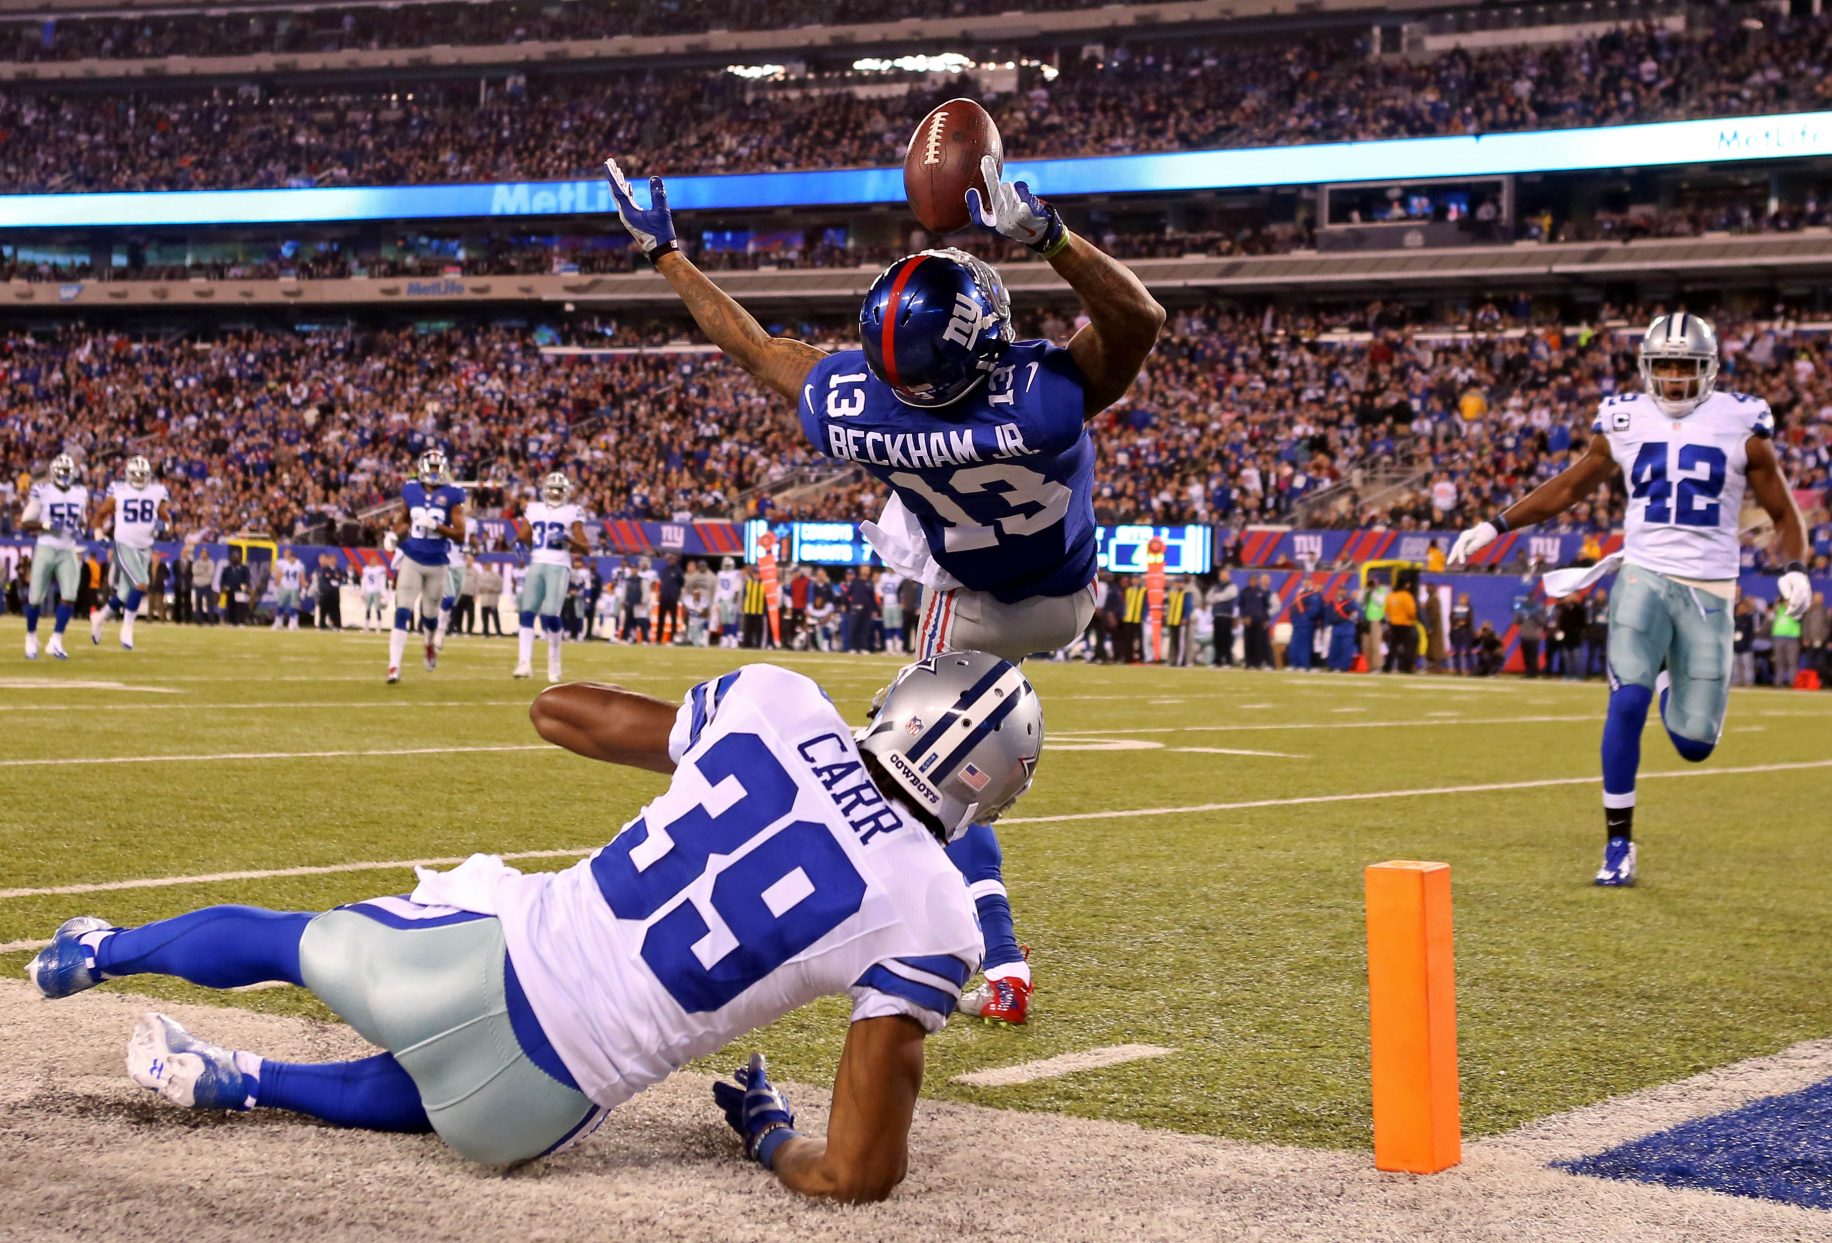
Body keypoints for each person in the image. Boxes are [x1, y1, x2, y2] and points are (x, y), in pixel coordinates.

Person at [27, 652, 1043, 1202]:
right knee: (440, 1088)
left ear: (901, 702)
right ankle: (241, 1081)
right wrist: (769, 1135)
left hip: (459, 966)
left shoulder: (777, 703)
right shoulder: (935, 914)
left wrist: (714, 755)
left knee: (291, 942)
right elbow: (857, 1176)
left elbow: (560, 710)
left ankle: (95, 950)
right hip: (528, 1112)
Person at [605, 152, 1161, 1028]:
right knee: (938, 762)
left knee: (920, 768)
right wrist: (1050, 236)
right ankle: (990, 950)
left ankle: (993, 954)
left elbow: (752, 345)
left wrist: (665, 256)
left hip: (972, 598)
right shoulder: (1046, 404)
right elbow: (1137, 317)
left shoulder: (849, 406)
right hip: (1067, 589)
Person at [1451, 312, 1811, 886]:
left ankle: (1668, 679)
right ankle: (1618, 845)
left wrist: (1794, 567)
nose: (1672, 377)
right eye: (1663, 364)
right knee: (1624, 704)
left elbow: (1783, 511)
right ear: (1647, 368)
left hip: (1710, 589)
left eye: (1685, 365)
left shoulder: (1741, 420)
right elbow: (1569, 487)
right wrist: (1496, 526)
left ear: (1709, 370)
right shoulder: (1623, 418)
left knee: (1695, 744)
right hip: (1641, 575)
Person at [387, 450, 466, 684]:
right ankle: (394, 665)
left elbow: (461, 535)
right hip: (412, 557)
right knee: (402, 610)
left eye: (437, 468)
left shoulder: (453, 494)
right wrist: (393, 535)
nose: (433, 472)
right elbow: (404, 519)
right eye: (430, 468)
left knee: (429, 617)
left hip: (437, 563)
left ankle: (429, 643)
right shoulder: (410, 489)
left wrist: (438, 526)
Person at [510, 472, 589, 682]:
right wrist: (518, 543)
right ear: (545, 490)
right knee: (526, 613)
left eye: (559, 490)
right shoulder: (534, 508)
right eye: (552, 490)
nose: (554, 494)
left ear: (566, 493)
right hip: (537, 562)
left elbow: (586, 547)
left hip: (559, 565)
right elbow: (524, 535)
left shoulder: (573, 512)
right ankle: (524, 662)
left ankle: (554, 660)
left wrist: (568, 539)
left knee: (550, 615)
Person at [87, 455, 171, 652]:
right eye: (136, 474)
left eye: (143, 474)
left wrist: (164, 526)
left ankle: (99, 617)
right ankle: (127, 627)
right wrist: (99, 533)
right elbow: (100, 514)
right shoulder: (119, 489)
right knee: (142, 584)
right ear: (128, 474)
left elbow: (167, 519)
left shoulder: (157, 491)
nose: (140, 478)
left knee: (124, 594)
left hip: (145, 547)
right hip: (124, 544)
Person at [20, 453, 87, 660]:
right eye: (62, 472)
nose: (66, 476)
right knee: (35, 597)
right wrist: (46, 525)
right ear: (53, 473)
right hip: (46, 547)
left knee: (69, 595)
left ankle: (55, 640)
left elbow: (83, 522)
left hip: (68, 548)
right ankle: (31, 638)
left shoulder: (80, 493)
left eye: (68, 472)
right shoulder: (42, 491)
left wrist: (81, 530)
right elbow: (25, 522)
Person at [1286, 580, 1322, 672]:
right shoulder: (1298, 594)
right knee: (1294, 645)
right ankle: (1294, 664)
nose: (1305, 583)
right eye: (1304, 581)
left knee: (1304, 645)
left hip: (1306, 624)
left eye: (1307, 581)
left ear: (1310, 583)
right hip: (1297, 623)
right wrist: (1292, 618)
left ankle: (1304, 665)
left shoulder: (1312, 595)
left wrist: (1306, 617)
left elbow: (1315, 608)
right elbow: (1293, 607)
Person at [271, 547, 307, 631]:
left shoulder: (299, 565)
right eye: (290, 558)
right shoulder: (283, 564)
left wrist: (303, 589)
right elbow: (279, 575)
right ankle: (278, 623)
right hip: (284, 587)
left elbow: (302, 577)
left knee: (294, 606)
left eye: (293, 558)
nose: (292, 559)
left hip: (295, 588)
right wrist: (276, 587)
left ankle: (292, 623)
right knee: (281, 605)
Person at [1208, 570, 1238, 667]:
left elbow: (1226, 596)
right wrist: (1217, 598)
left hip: (1227, 615)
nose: (1223, 577)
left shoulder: (1232, 587)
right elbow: (1207, 598)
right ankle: (1217, 660)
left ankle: (1228, 660)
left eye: (1225, 575)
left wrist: (1215, 597)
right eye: (1221, 575)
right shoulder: (1216, 587)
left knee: (1226, 639)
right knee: (1217, 639)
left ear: (1229, 576)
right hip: (1216, 615)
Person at [1239, 574, 1270, 669]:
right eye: (1251, 580)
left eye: (1255, 580)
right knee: (1248, 642)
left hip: (1259, 620)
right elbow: (1241, 606)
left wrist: (1266, 619)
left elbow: (1265, 607)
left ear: (1257, 581)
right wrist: (1244, 617)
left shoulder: (1261, 592)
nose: (1253, 581)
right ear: (1249, 581)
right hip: (1248, 620)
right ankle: (1248, 662)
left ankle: (1258, 663)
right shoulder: (1244, 592)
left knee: (1258, 642)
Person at [1327, 589, 1360, 672]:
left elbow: (1358, 614)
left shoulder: (1351, 602)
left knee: (1346, 649)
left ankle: (1344, 667)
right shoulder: (1333, 602)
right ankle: (1333, 666)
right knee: (1334, 648)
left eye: (1343, 590)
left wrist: (1350, 618)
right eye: (1340, 590)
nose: (1341, 592)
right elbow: (1328, 614)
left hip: (1347, 629)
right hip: (1337, 628)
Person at [714, 557, 742, 648]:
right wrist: (716, 600)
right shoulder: (720, 574)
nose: (727, 567)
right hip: (723, 598)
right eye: (726, 565)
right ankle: (725, 637)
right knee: (724, 620)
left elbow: (737, 589)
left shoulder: (736, 574)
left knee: (733, 620)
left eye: (728, 565)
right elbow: (719, 588)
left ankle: (733, 638)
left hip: (731, 598)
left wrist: (734, 603)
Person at [476, 557, 506, 638]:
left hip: (493, 600)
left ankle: (498, 632)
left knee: (495, 617)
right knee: (484, 618)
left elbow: (500, 588)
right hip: (484, 600)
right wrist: (483, 589)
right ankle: (485, 632)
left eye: (489, 565)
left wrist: (493, 590)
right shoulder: (481, 576)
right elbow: (478, 587)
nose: (488, 567)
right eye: (486, 565)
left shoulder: (497, 576)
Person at [316, 555, 346, 630]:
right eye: (331, 560)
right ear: (329, 561)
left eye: (334, 560)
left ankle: (337, 625)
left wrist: (335, 578)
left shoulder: (338, 569)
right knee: (323, 609)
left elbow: (341, 578)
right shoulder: (325, 569)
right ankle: (322, 625)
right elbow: (327, 578)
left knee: (335, 609)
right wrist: (334, 578)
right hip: (326, 592)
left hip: (334, 592)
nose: (333, 561)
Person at [1449, 592, 1475, 676]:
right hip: (1457, 631)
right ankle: (1457, 669)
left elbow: (1470, 619)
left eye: (1464, 599)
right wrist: (1456, 623)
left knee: (1468, 651)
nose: (1462, 600)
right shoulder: (1455, 608)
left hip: (1466, 631)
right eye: (1461, 598)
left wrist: (1464, 623)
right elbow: (1451, 617)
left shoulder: (1469, 609)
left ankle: (1471, 669)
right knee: (1457, 651)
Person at [360, 559, 389, 633]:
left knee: (377, 609)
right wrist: (362, 592)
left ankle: (379, 627)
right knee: (367, 609)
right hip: (368, 591)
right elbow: (364, 581)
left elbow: (382, 580)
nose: (372, 562)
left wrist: (383, 593)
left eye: (374, 561)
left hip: (376, 591)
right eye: (371, 561)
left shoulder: (379, 569)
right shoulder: (366, 569)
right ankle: (366, 626)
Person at [191, 545, 216, 625]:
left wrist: (200, 572)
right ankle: (199, 620)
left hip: (207, 585)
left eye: (205, 553)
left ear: (207, 554)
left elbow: (210, 573)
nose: (203, 555)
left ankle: (211, 620)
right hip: (198, 585)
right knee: (198, 603)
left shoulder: (211, 562)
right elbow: (194, 571)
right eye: (202, 553)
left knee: (209, 603)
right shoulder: (196, 562)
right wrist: (204, 570)